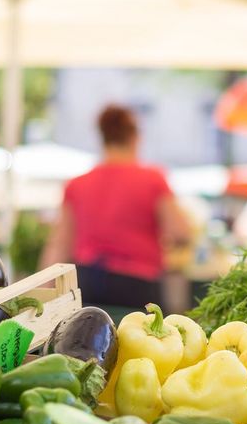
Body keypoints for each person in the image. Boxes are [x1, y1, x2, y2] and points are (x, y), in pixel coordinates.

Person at [41, 104, 189, 308]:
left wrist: (44, 294)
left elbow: (59, 245)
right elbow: (180, 232)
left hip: (88, 281)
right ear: (135, 138)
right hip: (138, 284)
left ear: (102, 138)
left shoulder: (77, 184)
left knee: (88, 337)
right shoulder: (153, 179)